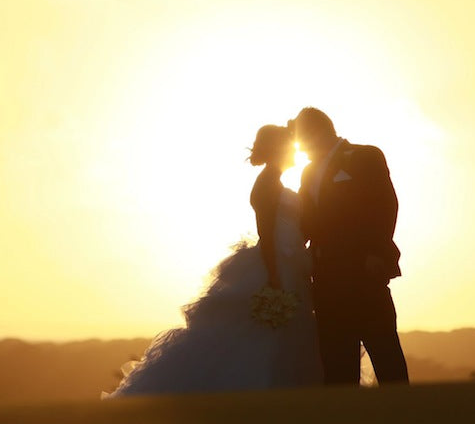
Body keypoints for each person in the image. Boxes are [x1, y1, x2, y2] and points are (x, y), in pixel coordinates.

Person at [105, 125, 323, 397]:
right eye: (290, 147)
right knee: (266, 333)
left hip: (292, 261)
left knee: (289, 329)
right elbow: (266, 234)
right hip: (276, 263)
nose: (295, 152)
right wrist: (274, 277)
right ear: (278, 150)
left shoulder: (276, 182)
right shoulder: (266, 184)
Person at [293, 107, 409, 386]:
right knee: (337, 362)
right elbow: (306, 220)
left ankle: (405, 416)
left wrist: (375, 252)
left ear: (319, 132)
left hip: (364, 271)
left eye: (303, 140)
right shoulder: (308, 171)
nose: (301, 148)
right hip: (326, 277)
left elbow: (385, 205)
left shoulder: (365, 156)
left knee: (385, 351)